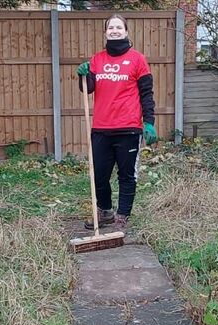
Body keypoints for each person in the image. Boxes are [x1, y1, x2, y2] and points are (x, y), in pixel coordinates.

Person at [77, 14, 157, 231]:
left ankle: (122, 216)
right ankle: (105, 212)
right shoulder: (97, 60)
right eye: (110, 27)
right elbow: (87, 89)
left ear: (126, 31)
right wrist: (83, 75)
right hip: (101, 128)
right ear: (105, 32)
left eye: (118, 27)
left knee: (127, 174)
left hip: (129, 128)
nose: (114, 30)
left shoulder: (138, 59)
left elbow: (147, 94)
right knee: (99, 174)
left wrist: (149, 122)